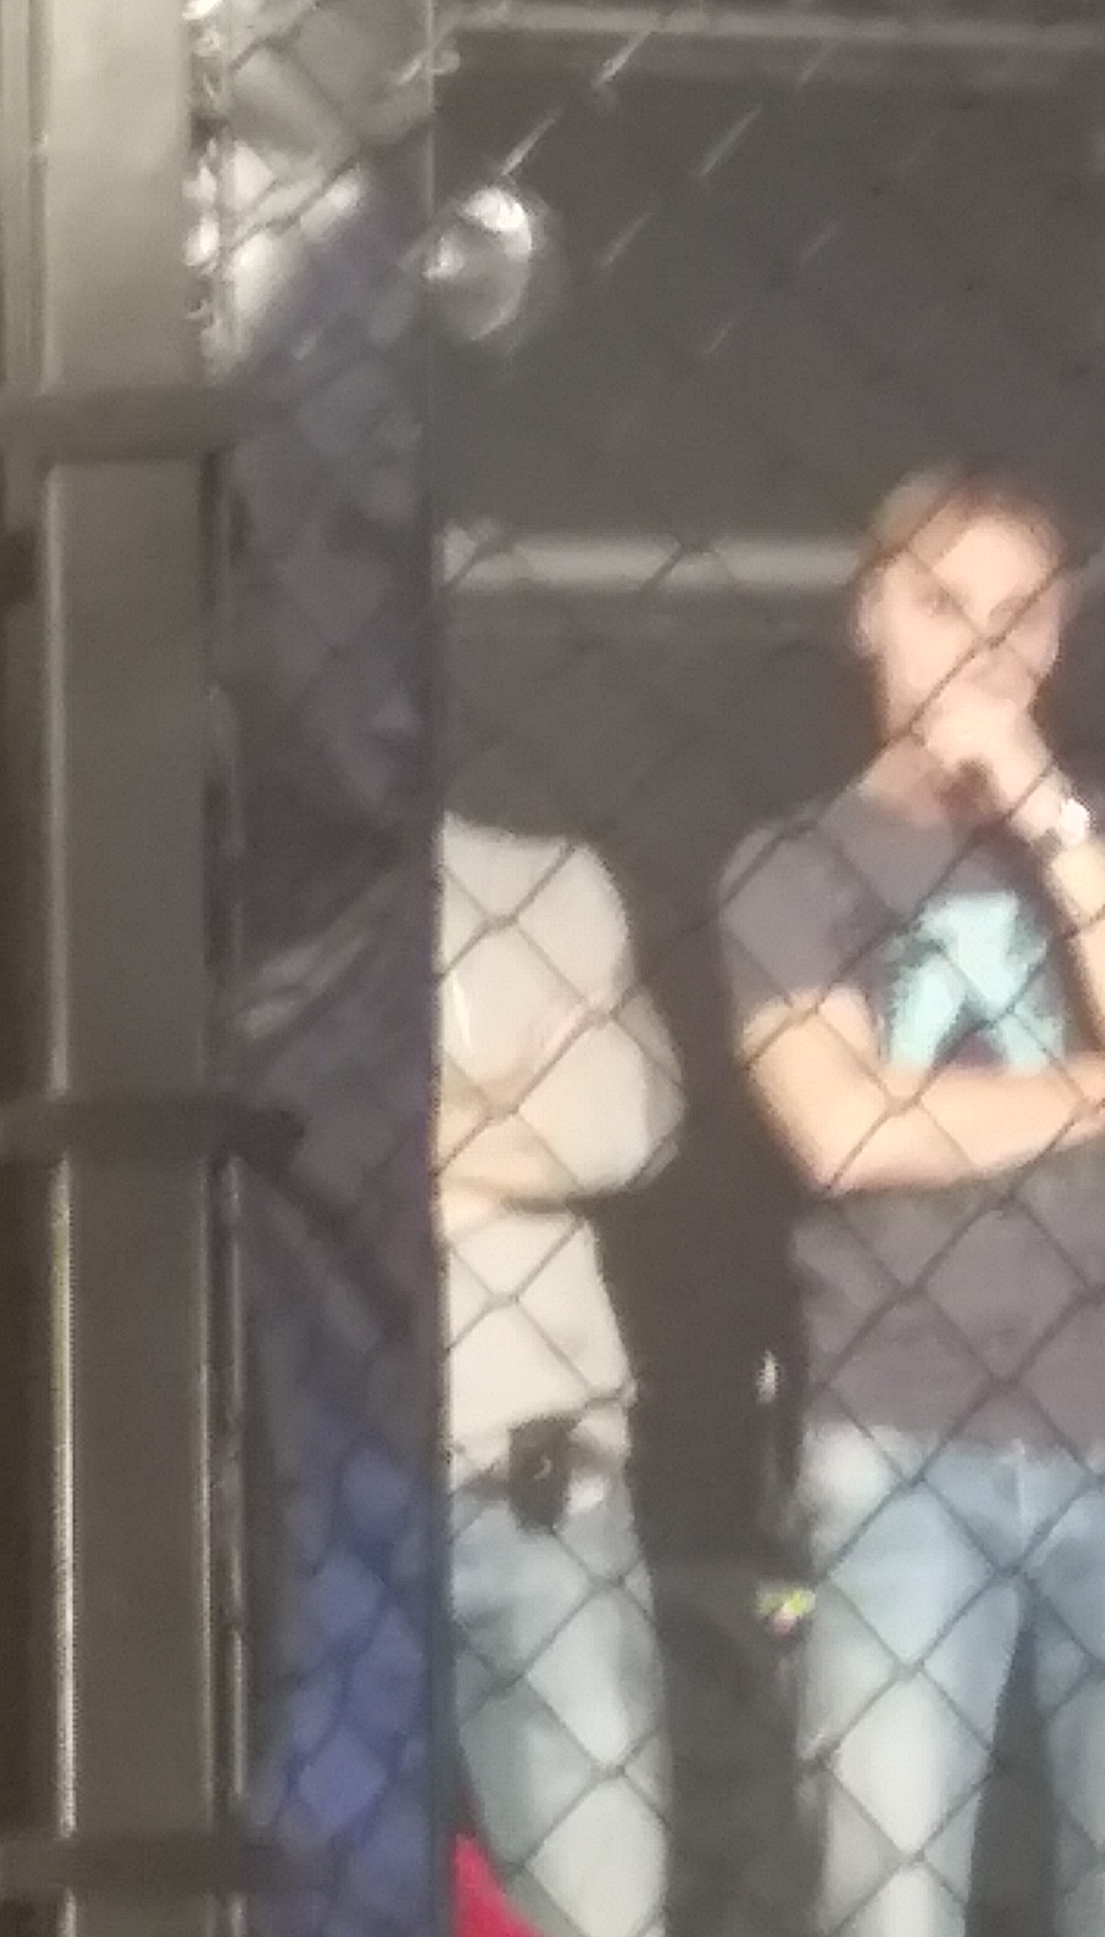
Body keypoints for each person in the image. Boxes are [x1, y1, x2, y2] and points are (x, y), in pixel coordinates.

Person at [717, 466, 1105, 1937]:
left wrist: (1045, 813)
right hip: (897, 1457)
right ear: (871, 614)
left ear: (1057, 639)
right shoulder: (791, 865)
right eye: (944, 605)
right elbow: (841, 1132)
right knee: (886, 1911)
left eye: (1018, 617)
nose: (981, 650)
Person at [441, 815, 680, 1937]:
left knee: (598, 1908)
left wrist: (416, 1143)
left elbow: (623, 1126)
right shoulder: (240, 892)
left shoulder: (543, 882)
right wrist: (509, 1101)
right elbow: (297, 1145)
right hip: (309, 1501)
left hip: (535, 1486)